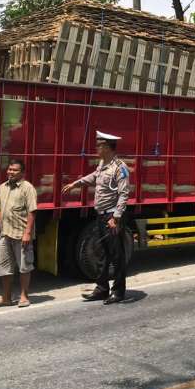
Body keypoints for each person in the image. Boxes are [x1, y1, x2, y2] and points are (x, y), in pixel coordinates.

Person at [61, 131, 130, 305]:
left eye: (99, 145)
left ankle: (119, 292)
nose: (96, 148)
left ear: (107, 147)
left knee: (116, 255)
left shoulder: (119, 168)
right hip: (101, 215)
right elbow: (95, 177)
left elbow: (123, 194)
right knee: (102, 255)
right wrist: (77, 183)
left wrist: (116, 217)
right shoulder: (103, 164)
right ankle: (101, 289)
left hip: (112, 216)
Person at [0, 158, 37, 308]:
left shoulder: (27, 188)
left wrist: (27, 233)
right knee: (4, 267)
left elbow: (32, 211)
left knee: (24, 266)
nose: (11, 172)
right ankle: (6, 298)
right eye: (9, 169)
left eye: (15, 170)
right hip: (5, 234)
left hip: (21, 234)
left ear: (22, 172)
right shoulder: (2, 187)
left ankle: (24, 296)